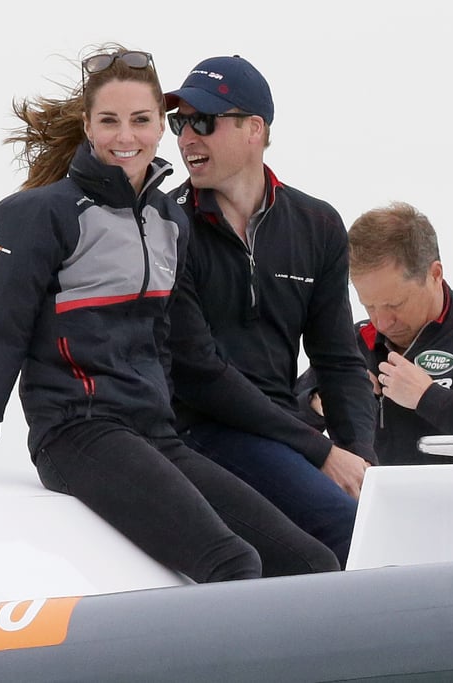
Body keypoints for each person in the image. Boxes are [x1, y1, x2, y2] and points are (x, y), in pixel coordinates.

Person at [0, 44, 340, 582]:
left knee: (311, 563)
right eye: (109, 121)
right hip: (76, 433)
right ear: (88, 125)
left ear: (160, 129)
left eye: (141, 120)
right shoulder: (40, 215)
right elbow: (1, 336)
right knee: (232, 562)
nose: (125, 136)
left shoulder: (166, 222)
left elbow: (167, 343)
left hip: (155, 434)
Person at [162, 55, 377, 568]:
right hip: (201, 431)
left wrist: (362, 460)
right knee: (348, 531)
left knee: (379, 516)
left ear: (254, 129)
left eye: (204, 122)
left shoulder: (318, 224)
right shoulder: (167, 227)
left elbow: (339, 360)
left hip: (282, 432)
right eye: (180, 122)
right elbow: (200, 375)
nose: (187, 138)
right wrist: (321, 452)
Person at [296, 201, 453, 465]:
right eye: (368, 305)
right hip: (376, 504)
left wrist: (429, 398)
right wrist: (323, 403)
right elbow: (280, 421)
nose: (381, 321)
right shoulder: (354, 343)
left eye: (395, 304)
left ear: (435, 274)